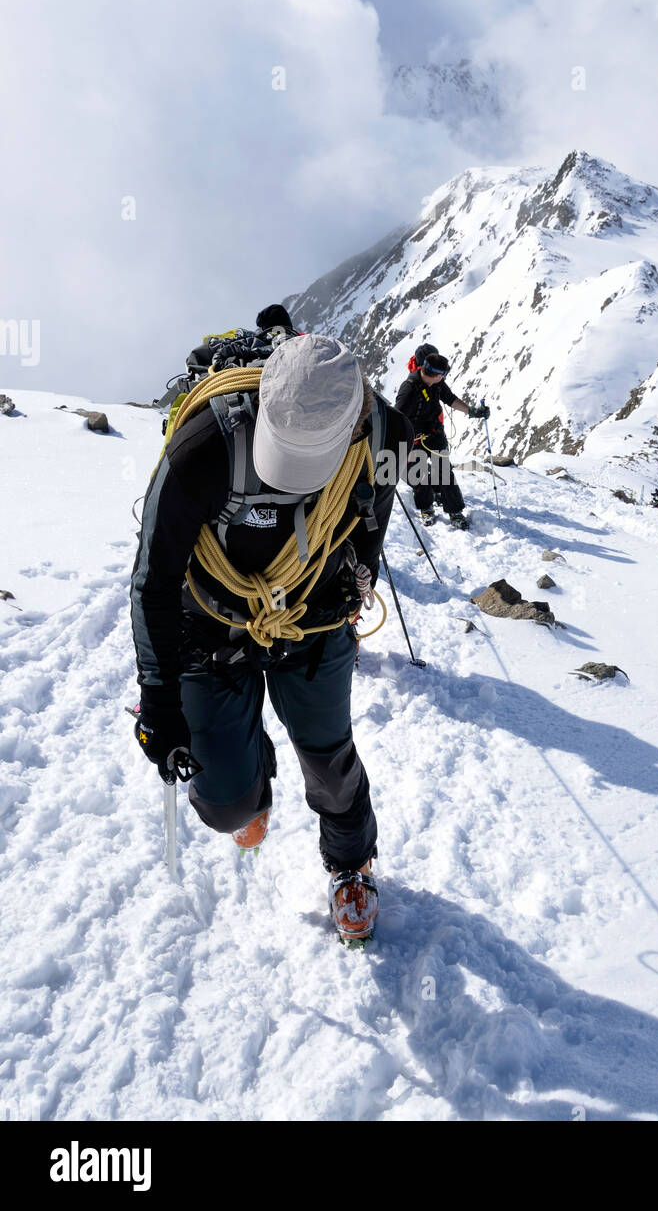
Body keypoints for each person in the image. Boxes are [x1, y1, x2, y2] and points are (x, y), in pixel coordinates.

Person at [130, 332, 412, 943]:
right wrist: (159, 697)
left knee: (328, 759)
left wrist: (352, 580)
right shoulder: (203, 446)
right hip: (211, 628)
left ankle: (350, 864)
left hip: (312, 623)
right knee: (228, 802)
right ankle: (245, 782)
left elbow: (372, 523)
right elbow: (153, 580)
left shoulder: (381, 434)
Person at [394, 349, 490, 530]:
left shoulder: (437, 384)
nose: (444, 378)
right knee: (419, 473)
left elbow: (450, 399)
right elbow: (398, 417)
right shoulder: (409, 388)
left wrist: (472, 411)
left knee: (444, 471)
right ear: (436, 375)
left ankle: (454, 511)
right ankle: (426, 507)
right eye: (443, 374)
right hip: (415, 437)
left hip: (435, 433)